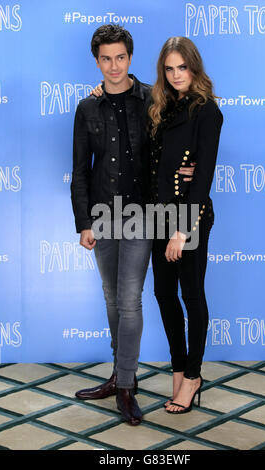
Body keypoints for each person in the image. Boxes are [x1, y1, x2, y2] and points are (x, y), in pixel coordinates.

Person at [70, 25, 194, 425]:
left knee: (128, 300)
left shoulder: (153, 99)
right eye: (105, 59)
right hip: (103, 216)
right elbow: (80, 171)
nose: (113, 66)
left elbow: (186, 129)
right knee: (110, 298)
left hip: (143, 213)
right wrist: (84, 222)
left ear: (130, 58)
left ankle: (125, 386)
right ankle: (121, 374)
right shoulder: (87, 107)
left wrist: (190, 167)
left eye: (120, 57)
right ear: (97, 62)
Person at [148, 36, 223, 414]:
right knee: (163, 294)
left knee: (192, 295)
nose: (177, 74)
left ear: (194, 67)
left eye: (182, 67)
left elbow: (204, 174)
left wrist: (182, 230)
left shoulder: (207, 111)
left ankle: (193, 376)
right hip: (156, 215)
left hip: (188, 217)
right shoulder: (161, 104)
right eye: (169, 68)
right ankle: (178, 369)